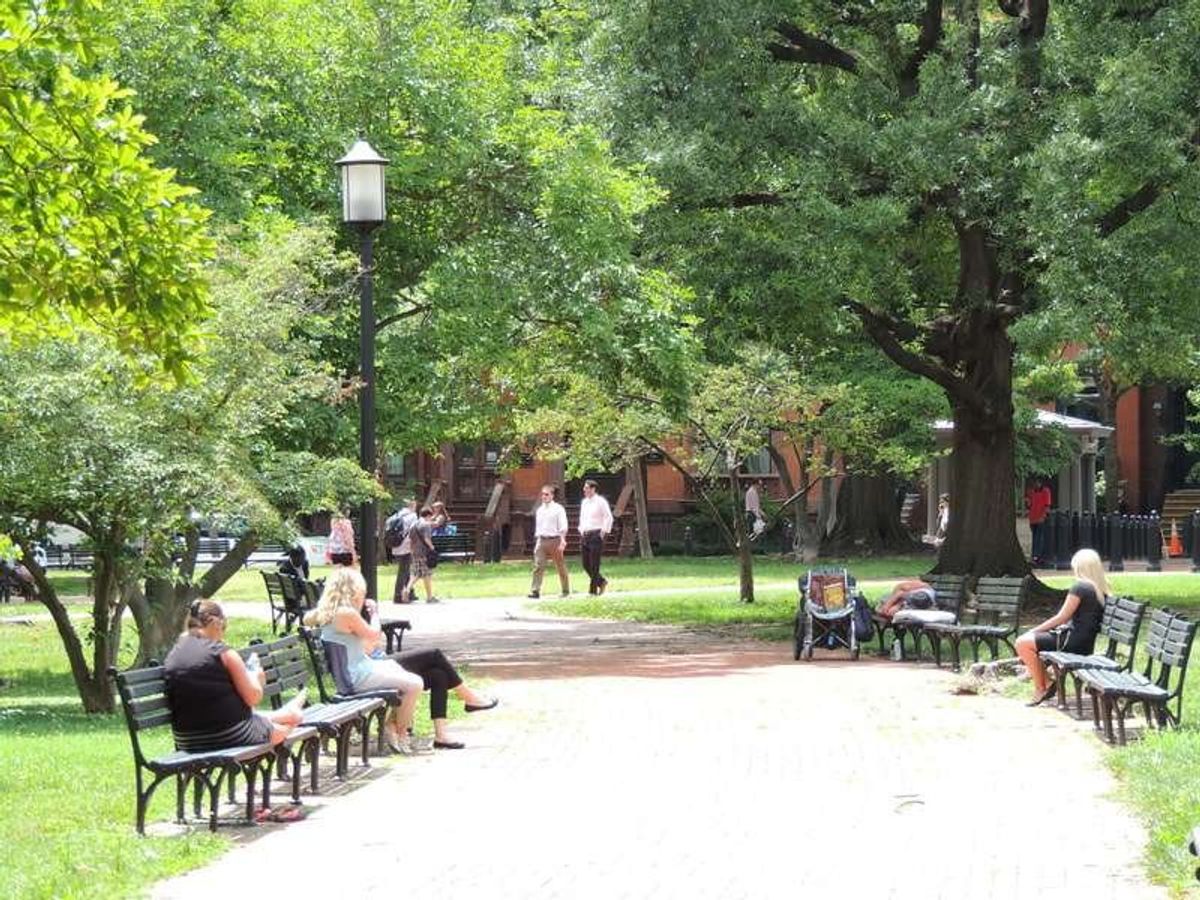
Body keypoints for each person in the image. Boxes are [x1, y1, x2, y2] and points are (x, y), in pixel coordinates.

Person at [304, 567, 497, 752]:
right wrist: (375, 613)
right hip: (358, 676)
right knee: (416, 682)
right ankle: (399, 730)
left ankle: (424, 730)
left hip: (362, 669)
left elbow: (358, 644)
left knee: (437, 674)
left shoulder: (330, 612)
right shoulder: (346, 613)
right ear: (352, 589)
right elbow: (373, 635)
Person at [163, 599, 305, 752]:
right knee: (291, 726)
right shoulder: (223, 653)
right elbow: (253, 697)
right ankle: (292, 713)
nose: (223, 634)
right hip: (231, 734)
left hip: (187, 741)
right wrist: (256, 678)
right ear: (215, 622)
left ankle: (286, 712)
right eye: (223, 627)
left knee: (265, 720)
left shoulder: (173, 655)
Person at [1015, 548, 1109, 707]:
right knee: (1026, 643)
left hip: (1072, 642)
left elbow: (1061, 617)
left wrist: (1035, 630)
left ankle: (1042, 687)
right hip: (1084, 643)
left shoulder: (1080, 588)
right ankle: (1047, 683)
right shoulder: (1100, 590)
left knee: (1022, 643)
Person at [529, 484, 569, 599]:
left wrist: (562, 541)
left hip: (555, 540)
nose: (544, 496)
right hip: (541, 540)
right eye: (542, 494)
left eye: (546, 494)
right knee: (538, 566)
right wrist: (538, 541)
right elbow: (539, 527)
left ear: (552, 495)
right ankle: (535, 591)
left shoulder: (558, 509)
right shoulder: (540, 510)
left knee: (560, 566)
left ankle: (565, 590)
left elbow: (563, 526)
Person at [577, 479, 614, 595]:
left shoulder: (600, 501)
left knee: (594, 564)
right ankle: (601, 581)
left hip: (596, 534)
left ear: (593, 489)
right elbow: (582, 518)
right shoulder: (584, 502)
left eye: (587, 488)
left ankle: (592, 591)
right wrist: (581, 529)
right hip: (585, 534)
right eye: (584, 488)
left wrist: (603, 532)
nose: (584, 490)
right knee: (586, 564)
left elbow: (608, 517)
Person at [401, 506, 440, 604]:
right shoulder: (425, 525)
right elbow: (427, 539)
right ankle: (430, 597)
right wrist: (432, 548)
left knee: (415, 574)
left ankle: (407, 590)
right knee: (426, 574)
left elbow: (410, 539)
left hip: (414, 552)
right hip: (424, 553)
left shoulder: (413, 525)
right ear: (428, 515)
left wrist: (411, 550)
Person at [388, 499, 420, 604]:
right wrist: (414, 546)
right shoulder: (413, 516)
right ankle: (397, 595)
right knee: (403, 571)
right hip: (406, 546)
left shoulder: (397, 515)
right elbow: (413, 531)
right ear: (412, 505)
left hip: (396, 545)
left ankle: (410, 593)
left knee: (406, 570)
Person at [1026, 478, 1052, 565]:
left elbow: (1047, 505)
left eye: (1037, 482)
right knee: (1035, 538)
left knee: (1040, 538)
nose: (1036, 484)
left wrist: (1043, 516)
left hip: (1040, 519)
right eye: (1035, 482)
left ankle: (1038, 556)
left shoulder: (1045, 491)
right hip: (1033, 519)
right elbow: (1030, 505)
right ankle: (1034, 556)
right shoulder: (1032, 492)